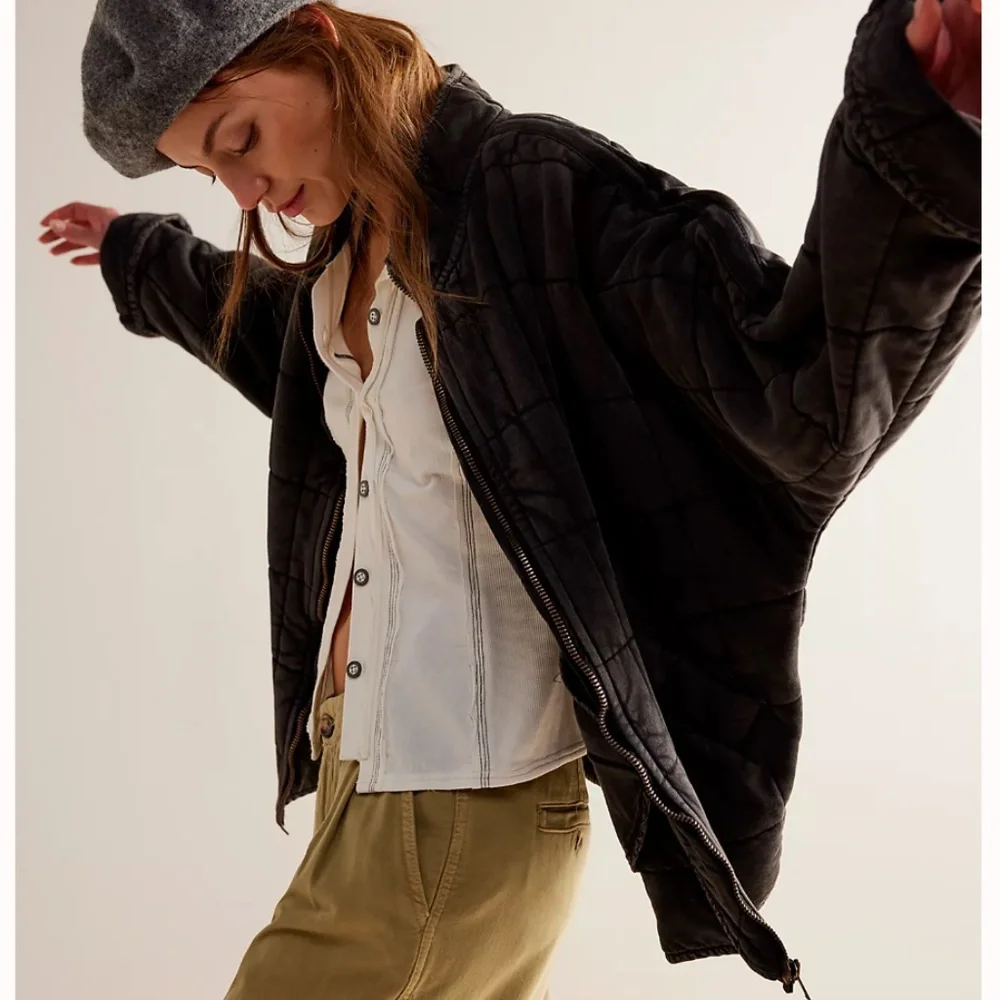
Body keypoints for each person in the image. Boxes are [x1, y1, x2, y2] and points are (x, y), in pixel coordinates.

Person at [39, 0, 981, 996]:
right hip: (371, 780)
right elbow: (285, 358)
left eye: (239, 140)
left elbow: (791, 388)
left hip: (453, 805)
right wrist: (138, 253)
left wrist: (917, 121)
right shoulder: (348, 246)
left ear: (317, 38)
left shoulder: (531, 187)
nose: (244, 190)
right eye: (207, 172)